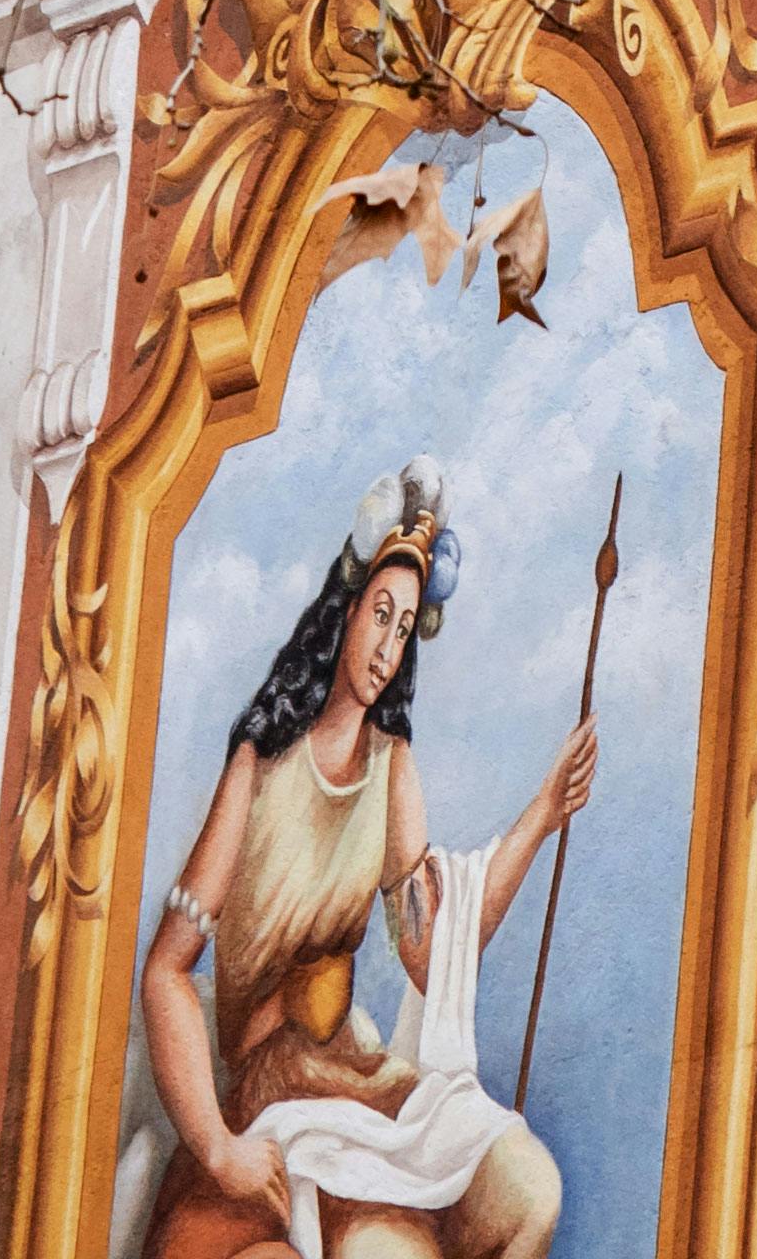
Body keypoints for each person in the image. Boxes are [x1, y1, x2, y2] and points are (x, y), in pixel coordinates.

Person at [123, 465, 591, 1259]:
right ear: (342, 614)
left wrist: (539, 819)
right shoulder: (260, 765)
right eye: (380, 614)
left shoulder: (390, 766)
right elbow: (168, 969)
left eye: (405, 627)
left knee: (526, 1189)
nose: (387, 645)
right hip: (273, 1094)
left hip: (357, 1085)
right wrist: (215, 1146)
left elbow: (431, 951)